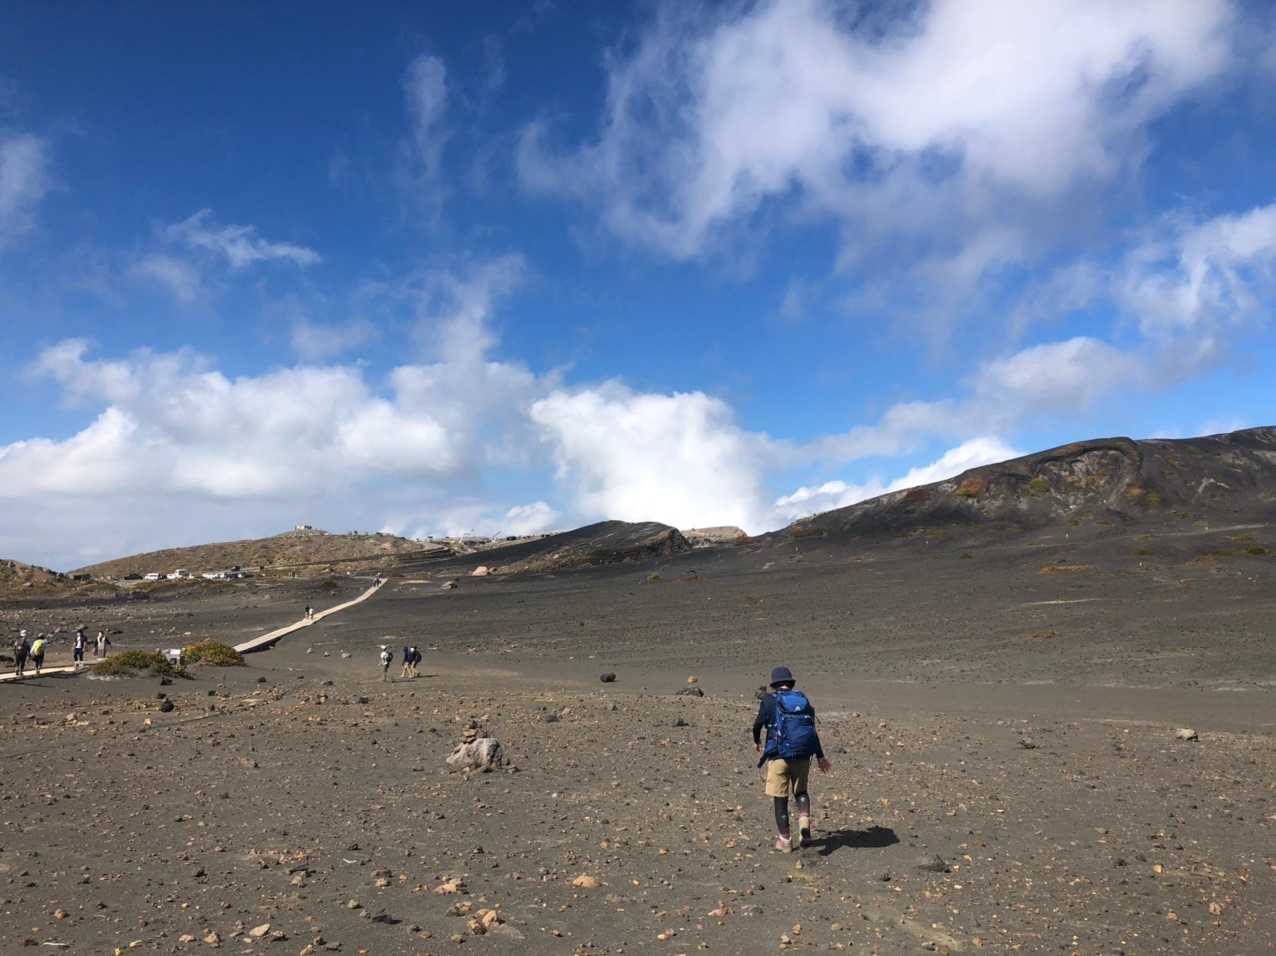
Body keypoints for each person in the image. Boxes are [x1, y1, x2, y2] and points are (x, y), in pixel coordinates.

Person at [752, 666, 832, 852]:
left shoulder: (769, 701)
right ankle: (804, 825)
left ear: (774, 684)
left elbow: (758, 724)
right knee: (801, 792)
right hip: (802, 756)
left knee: (780, 798)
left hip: (778, 756)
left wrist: (757, 741)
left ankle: (785, 841)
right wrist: (820, 756)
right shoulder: (802, 700)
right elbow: (811, 731)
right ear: (790, 683)